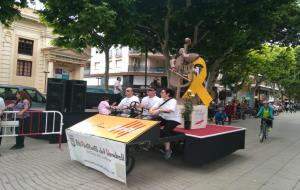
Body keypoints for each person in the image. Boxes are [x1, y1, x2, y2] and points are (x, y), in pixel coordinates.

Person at [149, 88, 181, 160]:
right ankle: (151, 142)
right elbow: (154, 107)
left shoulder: (173, 101)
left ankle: (168, 149)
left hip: (173, 119)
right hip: (164, 118)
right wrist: (151, 110)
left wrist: (159, 110)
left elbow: (170, 110)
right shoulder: (160, 100)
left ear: (168, 94)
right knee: (150, 123)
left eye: (162, 92)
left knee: (165, 131)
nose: (161, 93)